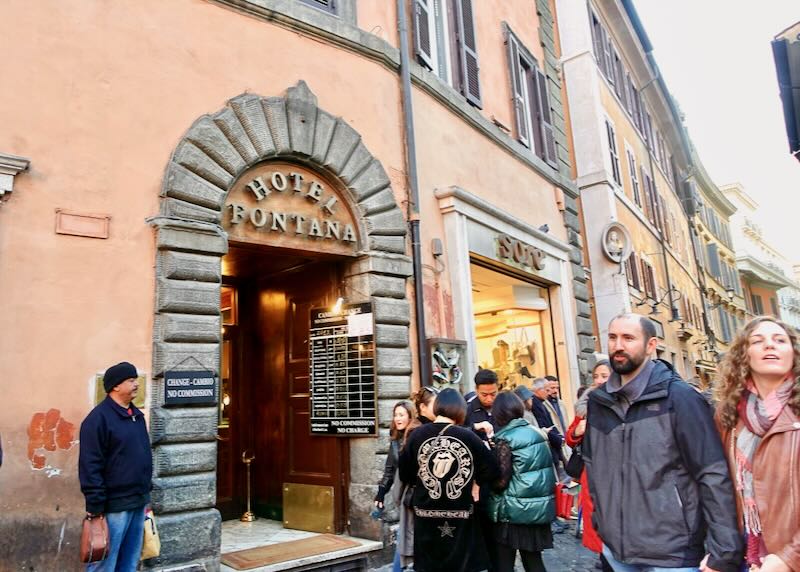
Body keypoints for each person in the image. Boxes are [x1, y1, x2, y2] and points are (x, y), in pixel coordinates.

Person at [583, 314, 742, 572]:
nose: (618, 345)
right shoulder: (598, 402)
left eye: (628, 338)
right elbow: (594, 467)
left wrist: (724, 550)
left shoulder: (681, 398)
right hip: (616, 552)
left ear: (650, 345)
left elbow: (712, 473)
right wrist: (602, 522)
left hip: (673, 554)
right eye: (612, 337)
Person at [713, 316, 800, 572]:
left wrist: (788, 557)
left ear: (793, 354)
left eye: (780, 340)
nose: (770, 346)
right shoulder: (728, 416)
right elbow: (721, 490)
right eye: (758, 341)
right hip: (750, 555)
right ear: (744, 355)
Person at [398, 388, 501, 572]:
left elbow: (405, 474)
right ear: (460, 410)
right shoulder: (468, 436)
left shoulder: (416, 436)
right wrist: (475, 482)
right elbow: (493, 468)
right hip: (460, 513)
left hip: (426, 512)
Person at [79, 362, 152, 572]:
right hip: (113, 506)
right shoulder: (97, 420)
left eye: (135, 379)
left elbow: (143, 455)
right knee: (105, 564)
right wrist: (95, 506)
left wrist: (146, 495)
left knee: (128, 563)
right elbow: (90, 465)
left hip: (138, 501)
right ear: (115, 386)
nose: (136, 384)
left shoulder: (136, 416)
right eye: (131, 380)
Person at [487, 392, 555, 572]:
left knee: (504, 564)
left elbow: (500, 481)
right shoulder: (536, 432)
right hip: (536, 510)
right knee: (534, 562)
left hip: (513, 511)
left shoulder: (505, 438)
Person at [565, 361, 612, 571]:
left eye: (605, 375)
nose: (600, 380)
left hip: (618, 474)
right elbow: (570, 437)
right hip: (592, 473)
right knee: (599, 526)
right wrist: (577, 432)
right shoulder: (586, 404)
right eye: (596, 376)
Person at [375, 401, 416, 572]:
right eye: (395, 414)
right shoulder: (395, 439)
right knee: (405, 538)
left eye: (401, 414)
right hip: (405, 497)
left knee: (405, 538)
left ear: (410, 416)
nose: (397, 418)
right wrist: (380, 494)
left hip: (418, 496)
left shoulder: (415, 435)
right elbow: (389, 469)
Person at [465, 369, 499, 441]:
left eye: (493, 394)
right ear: (476, 391)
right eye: (484, 395)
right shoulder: (467, 410)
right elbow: (457, 431)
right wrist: (475, 427)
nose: (489, 399)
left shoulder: (505, 408)